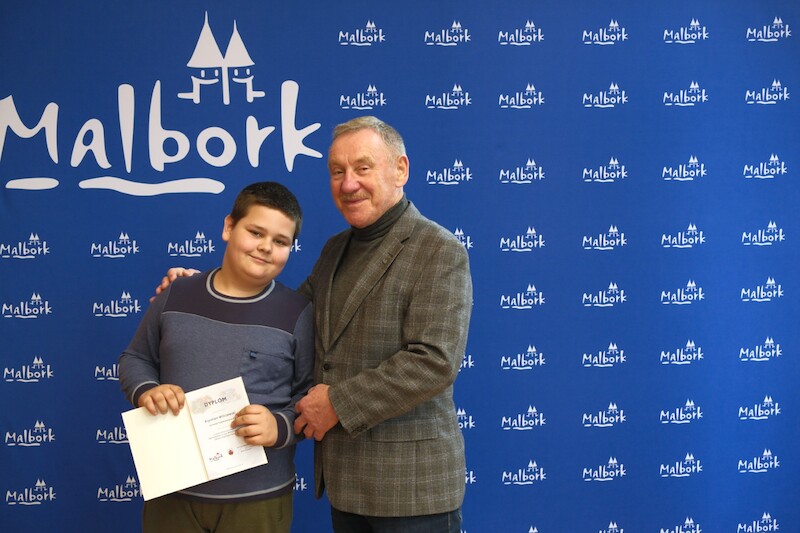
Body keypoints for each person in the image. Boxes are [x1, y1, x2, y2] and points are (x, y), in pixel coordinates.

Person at [156, 116, 473, 532]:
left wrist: (337, 403)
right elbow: (280, 313)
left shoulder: (439, 249)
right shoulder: (336, 249)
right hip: (347, 484)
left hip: (411, 489)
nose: (348, 183)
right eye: (337, 171)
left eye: (362, 167)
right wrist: (204, 289)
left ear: (400, 170)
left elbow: (433, 361)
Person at [120, 181, 314, 533]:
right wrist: (148, 390)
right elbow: (136, 358)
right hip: (173, 490)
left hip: (259, 497)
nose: (265, 247)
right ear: (228, 227)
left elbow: (308, 395)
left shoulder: (298, 313)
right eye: (256, 232)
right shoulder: (176, 294)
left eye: (280, 241)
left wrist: (279, 426)